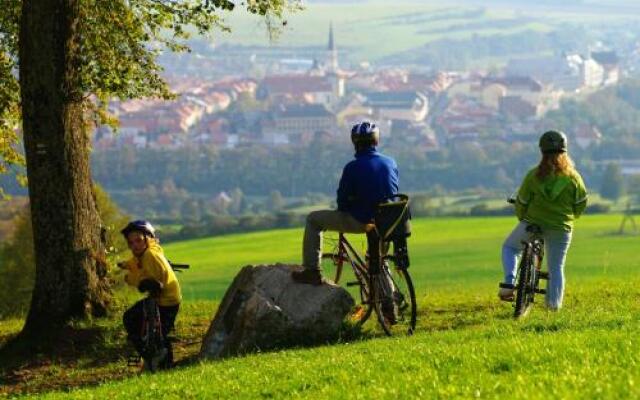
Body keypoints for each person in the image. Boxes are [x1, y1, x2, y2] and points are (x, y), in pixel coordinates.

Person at [291, 121, 399, 318]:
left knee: (313, 220)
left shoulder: (352, 167)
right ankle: (390, 307)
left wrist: (348, 206)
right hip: (387, 222)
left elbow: (342, 201)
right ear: (376, 141)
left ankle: (312, 271)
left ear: (354, 143)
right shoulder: (390, 162)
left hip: (361, 221)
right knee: (378, 261)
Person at [499, 130, 588, 310]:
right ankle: (553, 306)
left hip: (533, 223)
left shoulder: (533, 176)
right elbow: (581, 203)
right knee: (556, 268)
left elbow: (522, 202)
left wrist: (522, 218)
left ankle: (509, 283)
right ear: (565, 151)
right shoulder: (574, 178)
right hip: (560, 228)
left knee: (510, 247)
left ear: (542, 151)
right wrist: (572, 216)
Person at [119, 220, 182, 370]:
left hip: (164, 301)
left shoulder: (149, 256)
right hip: (170, 299)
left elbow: (148, 281)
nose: (135, 246)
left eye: (138, 241)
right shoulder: (151, 250)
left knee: (130, 319)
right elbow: (137, 262)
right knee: (161, 333)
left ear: (148, 238)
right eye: (131, 243)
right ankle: (165, 364)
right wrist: (127, 265)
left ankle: (151, 357)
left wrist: (130, 278)